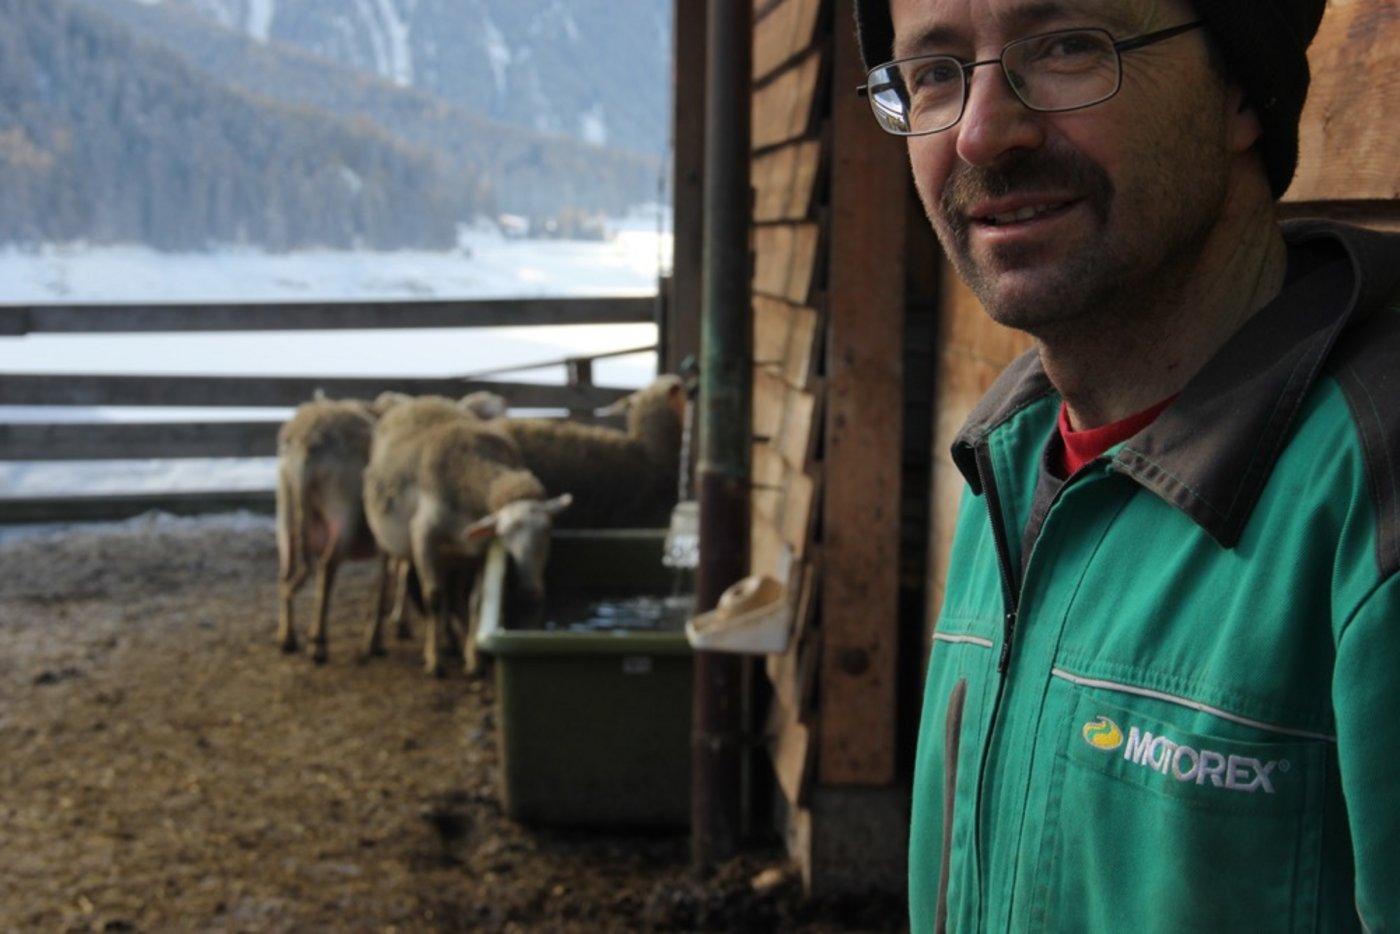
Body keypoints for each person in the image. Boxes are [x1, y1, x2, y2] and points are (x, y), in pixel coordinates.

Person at [852, 0, 1400, 929]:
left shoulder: (1371, 501)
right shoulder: (1008, 459)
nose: (981, 133)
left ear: (1241, 89)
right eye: (935, 74)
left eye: (1068, 47)